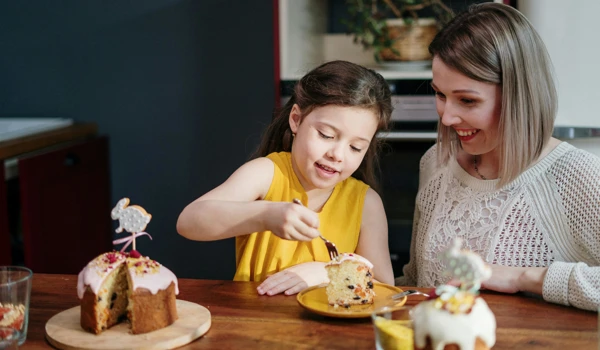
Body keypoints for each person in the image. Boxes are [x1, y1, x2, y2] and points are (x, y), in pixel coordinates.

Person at [395, 2, 600, 311]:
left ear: (518, 95)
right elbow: (416, 280)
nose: (447, 117)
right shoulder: (435, 161)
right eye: (440, 94)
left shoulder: (576, 176)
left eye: (466, 100)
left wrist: (523, 277)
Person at [177, 60, 395, 296]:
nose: (337, 155)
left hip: (332, 331)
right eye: (326, 135)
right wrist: (265, 215)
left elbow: (385, 285)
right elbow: (188, 222)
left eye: (355, 147)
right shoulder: (267, 173)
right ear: (296, 120)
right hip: (259, 322)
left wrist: (327, 271)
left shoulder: (366, 203)